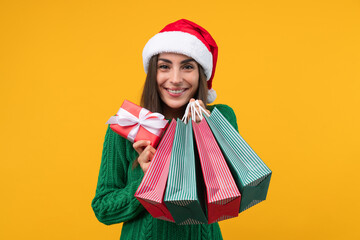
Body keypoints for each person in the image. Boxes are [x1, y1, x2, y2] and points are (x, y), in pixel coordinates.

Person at [91, 19, 239, 240]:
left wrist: (208, 134)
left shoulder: (220, 118)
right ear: (153, 73)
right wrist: (145, 182)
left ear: (201, 74)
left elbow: (230, 196)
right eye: (164, 66)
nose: (176, 79)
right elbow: (103, 209)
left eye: (188, 66)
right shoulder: (128, 126)